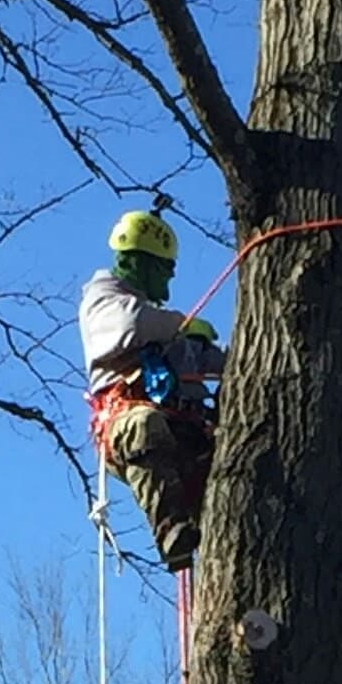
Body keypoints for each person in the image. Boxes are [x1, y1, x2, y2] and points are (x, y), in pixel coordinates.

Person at [79, 210, 226, 572]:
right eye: (165, 267)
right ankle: (171, 529)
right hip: (127, 426)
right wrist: (182, 324)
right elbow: (131, 323)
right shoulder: (103, 300)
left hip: (185, 430)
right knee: (144, 424)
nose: (171, 275)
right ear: (138, 261)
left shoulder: (166, 330)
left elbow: (212, 360)